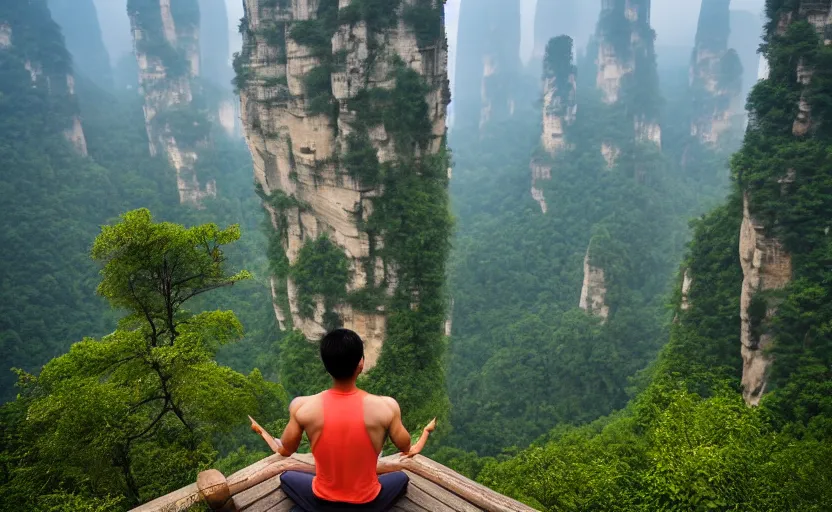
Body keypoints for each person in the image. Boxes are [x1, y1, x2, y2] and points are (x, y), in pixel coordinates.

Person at [249, 328, 436, 512]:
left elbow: (287, 450)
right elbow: (405, 447)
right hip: (368, 502)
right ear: (361, 364)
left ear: (326, 366)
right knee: (401, 479)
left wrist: (269, 438)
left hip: (322, 501)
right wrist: (425, 432)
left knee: (286, 478)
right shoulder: (387, 407)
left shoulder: (302, 407)